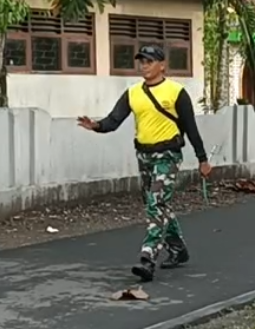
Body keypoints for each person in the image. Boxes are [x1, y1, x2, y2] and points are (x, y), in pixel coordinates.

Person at [77, 44, 212, 282]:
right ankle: (178, 249)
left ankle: (148, 258)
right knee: (157, 204)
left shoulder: (176, 92)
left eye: (149, 61)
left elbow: (191, 128)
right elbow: (113, 120)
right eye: (142, 61)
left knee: (156, 203)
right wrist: (96, 126)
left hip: (168, 155)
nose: (144, 66)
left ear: (162, 65)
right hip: (144, 156)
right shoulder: (133, 93)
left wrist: (203, 159)